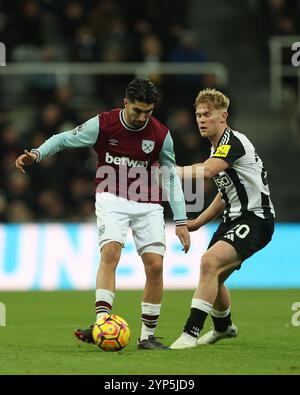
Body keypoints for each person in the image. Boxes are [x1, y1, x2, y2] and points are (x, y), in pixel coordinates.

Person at [15, 78, 190, 350]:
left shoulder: (161, 135)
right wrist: (37, 154)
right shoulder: (103, 124)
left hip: (148, 202)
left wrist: (180, 220)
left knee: (155, 265)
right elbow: (64, 139)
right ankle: (102, 324)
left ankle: (148, 337)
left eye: (148, 111)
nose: (142, 117)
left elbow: (170, 178)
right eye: (137, 110)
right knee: (111, 252)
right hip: (112, 196)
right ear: (125, 103)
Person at [171, 88, 275, 349]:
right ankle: (223, 327)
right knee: (213, 275)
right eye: (198, 115)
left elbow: (207, 171)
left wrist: (170, 172)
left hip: (255, 219)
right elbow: (224, 195)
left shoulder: (233, 143)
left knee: (209, 262)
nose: (201, 120)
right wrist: (198, 222)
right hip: (234, 219)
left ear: (223, 116)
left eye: (207, 114)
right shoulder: (217, 147)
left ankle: (190, 333)